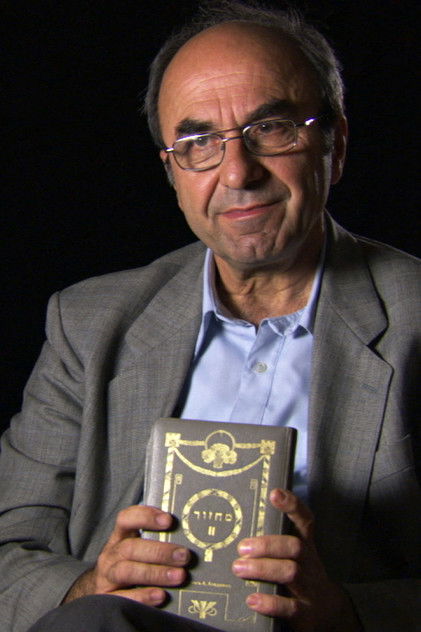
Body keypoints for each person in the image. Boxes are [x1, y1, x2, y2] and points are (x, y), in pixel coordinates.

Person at [0, 2, 420, 631]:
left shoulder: (414, 319)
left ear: (334, 146)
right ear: (172, 172)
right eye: (199, 144)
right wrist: (90, 587)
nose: (238, 172)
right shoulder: (88, 325)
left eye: (271, 129)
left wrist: (347, 613)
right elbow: (8, 551)